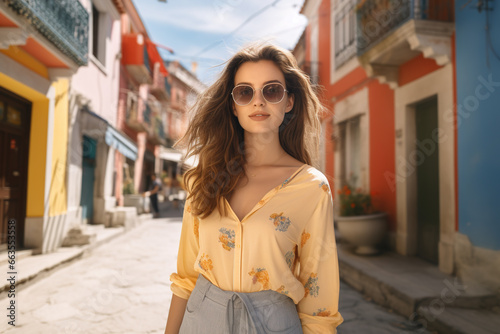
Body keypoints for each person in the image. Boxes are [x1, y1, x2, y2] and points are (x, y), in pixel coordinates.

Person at [164, 43, 343, 334]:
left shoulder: (310, 187)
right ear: (234, 106)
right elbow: (185, 277)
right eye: (245, 92)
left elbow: (318, 296)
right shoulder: (203, 179)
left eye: (271, 91)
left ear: (289, 102)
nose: (258, 101)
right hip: (202, 321)